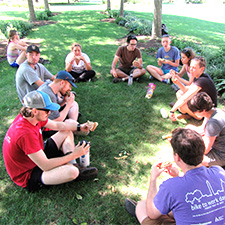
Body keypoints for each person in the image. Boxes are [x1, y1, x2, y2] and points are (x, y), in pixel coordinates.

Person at [2, 90, 98, 192]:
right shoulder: (25, 134)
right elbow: (45, 165)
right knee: (72, 172)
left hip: (37, 156)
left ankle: (75, 166)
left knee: (66, 132)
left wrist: (79, 127)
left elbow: (57, 125)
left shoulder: (29, 117)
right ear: (34, 111)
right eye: (47, 110)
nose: (50, 113)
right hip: (29, 174)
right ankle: (75, 169)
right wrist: (74, 154)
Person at [125, 128, 225, 225]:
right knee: (176, 206)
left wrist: (153, 179)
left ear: (177, 157)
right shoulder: (219, 171)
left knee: (142, 206)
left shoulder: (171, 187)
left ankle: (140, 212)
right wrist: (178, 175)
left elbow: (153, 214)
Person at [169, 56, 217, 121]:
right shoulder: (198, 76)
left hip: (205, 111)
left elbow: (185, 98)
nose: (190, 69)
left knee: (182, 104)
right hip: (199, 103)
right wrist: (177, 82)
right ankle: (187, 113)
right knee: (179, 93)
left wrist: (172, 111)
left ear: (202, 69)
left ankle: (196, 116)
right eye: (190, 67)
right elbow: (186, 91)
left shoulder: (202, 81)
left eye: (193, 67)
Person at [38, 70, 80, 138]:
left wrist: (64, 101)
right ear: (62, 82)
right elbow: (58, 119)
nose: (69, 89)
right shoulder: (49, 95)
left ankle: (72, 124)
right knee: (72, 123)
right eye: (69, 86)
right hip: (46, 126)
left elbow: (56, 105)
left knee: (74, 104)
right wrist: (68, 104)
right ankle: (72, 126)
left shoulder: (49, 84)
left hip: (50, 117)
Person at [187, 92, 225, 167]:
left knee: (190, 157)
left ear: (203, 110)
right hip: (216, 145)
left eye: (194, 111)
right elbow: (201, 130)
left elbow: (206, 149)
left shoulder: (213, 123)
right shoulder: (214, 111)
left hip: (220, 155)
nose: (193, 113)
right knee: (188, 127)